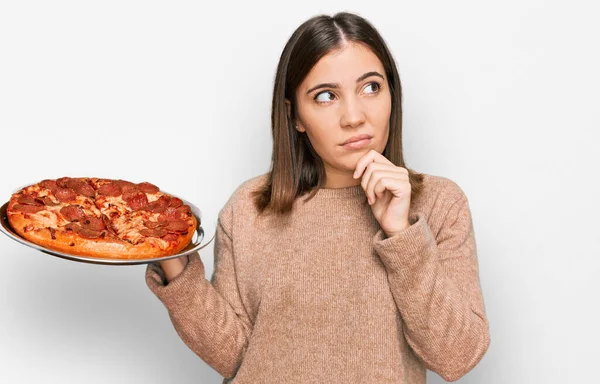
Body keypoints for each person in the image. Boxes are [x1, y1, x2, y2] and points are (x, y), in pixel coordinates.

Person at [146, 11, 490, 383]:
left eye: (371, 87)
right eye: (326, 96)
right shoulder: (249, 208)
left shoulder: (439, 204)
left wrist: (401, 234)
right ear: (295, 116)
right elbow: (235, 355)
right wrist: (171, 255)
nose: (354, 116)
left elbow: (457, 357)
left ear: (393, 93)